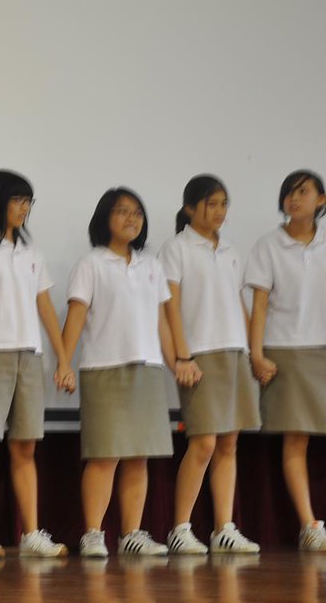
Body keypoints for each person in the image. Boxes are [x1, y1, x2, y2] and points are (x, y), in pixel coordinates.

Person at [0, 170, 75, 560]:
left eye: (28, 202)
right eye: (16, 200)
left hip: (29, 354)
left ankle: (30, 533)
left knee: (25, 446)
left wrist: (62, 357)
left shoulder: (32, 253)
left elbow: (44, 306)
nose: (23, 209)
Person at [61, 187, 174, 558]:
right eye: (122, 211)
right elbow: (75, 318)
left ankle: (132, 534)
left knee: (138, 456)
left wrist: (178, 362)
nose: (131, 218)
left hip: (148, 368)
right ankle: (93, 533)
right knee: (104, 455)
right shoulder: (90, 263)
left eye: (137, 212)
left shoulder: (152, 266)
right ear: (104, 218)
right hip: (103, 368)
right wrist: (64, 362)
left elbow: (162, 324)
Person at [159, 174, 260, 555]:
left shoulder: (231, 251)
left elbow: (239, 304)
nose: (219, 211)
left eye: (223, 204)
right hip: (199, 354)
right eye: (211, 203)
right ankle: (180, 527)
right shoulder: (176, 248)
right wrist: (182, 356)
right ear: (190, 208)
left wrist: (252, 351)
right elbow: (170, 307)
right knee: (202, 443)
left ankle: (223, 528)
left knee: (229, 444)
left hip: (234, 351)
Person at [245, 169, 326, 551]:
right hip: (288, 350)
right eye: (289, 193)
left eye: (304, 191)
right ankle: (309, 525)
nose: (295, 198)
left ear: (321, 200)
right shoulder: (268, 245)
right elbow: (259, 306)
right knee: (296, 442)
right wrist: (257, 353)